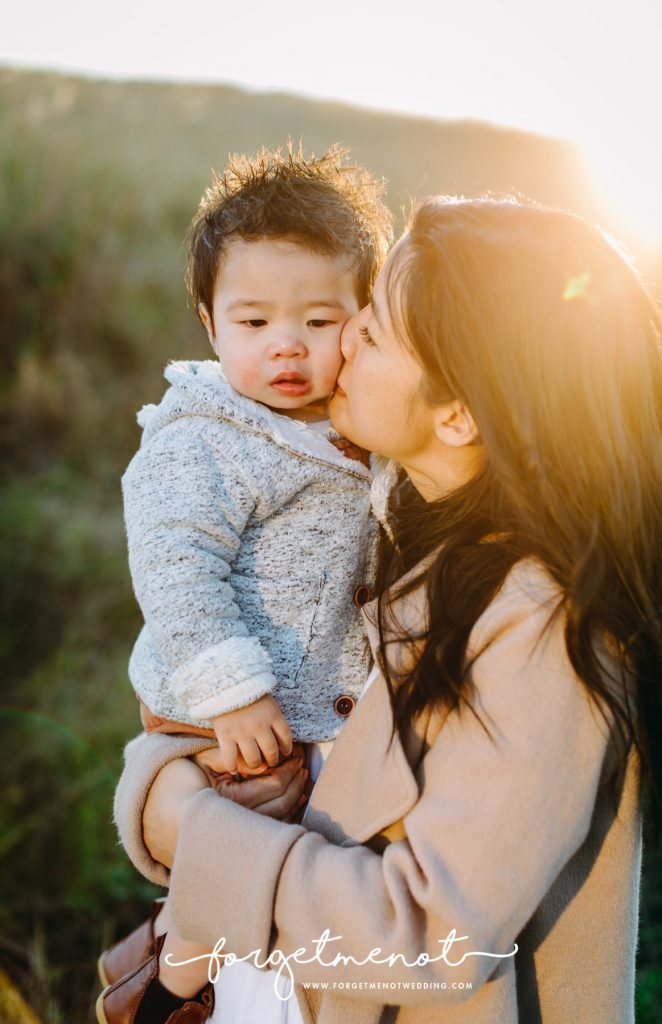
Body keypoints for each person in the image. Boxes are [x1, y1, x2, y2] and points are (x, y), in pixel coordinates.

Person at [113, 196, 662, 1024]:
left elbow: (433, 937)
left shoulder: (545, 623)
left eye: (371, 330)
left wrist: (190, 833)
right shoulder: (393, 524)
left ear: (458, 412)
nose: (337, 341)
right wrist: (168, 772)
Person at [97, 145, 393, 1023]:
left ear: (365, 319)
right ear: (209, 322)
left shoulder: (355, 428)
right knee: (244, 862)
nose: (287, 347)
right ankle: (172, 969)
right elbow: (177, 569)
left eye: (319, 319)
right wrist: (230, 692)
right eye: (254, 322)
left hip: (316, 724)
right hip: (229, 713)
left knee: (286, 899)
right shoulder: (203, 437)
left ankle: (188, 955)